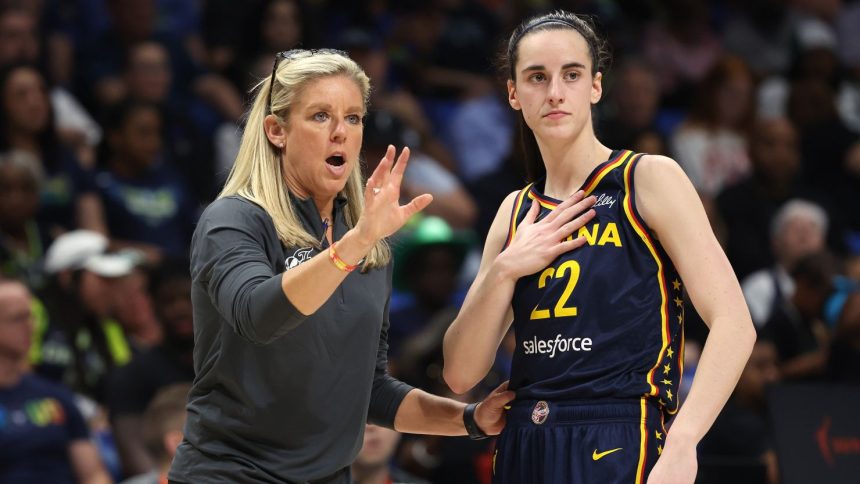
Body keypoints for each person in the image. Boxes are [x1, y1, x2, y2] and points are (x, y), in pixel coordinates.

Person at [168, 48, 517, 484]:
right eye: (320, 116)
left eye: (353, 118)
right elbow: (258, 315)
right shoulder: (235, 219)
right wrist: (354, 244)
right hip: (231, 474)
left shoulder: (369, 246)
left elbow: (368, 390)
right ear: (276, 130)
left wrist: (468, 419)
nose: (341, 133)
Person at [442, 11, 756, 484]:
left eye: (571, 74)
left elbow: (735, 323)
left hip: (621, 430)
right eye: (536, 77)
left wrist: (684, 442)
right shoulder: (514, 211)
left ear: (595, 86)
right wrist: (505, 269)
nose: (554, 92)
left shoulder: (646, 178)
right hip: (524, 437)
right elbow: (461, 374)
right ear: (513, 93)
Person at [0, 278, 111, 484]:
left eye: (31, 317)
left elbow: (93, 474)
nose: (31, 326)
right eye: (18, 318)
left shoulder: (55, 394)